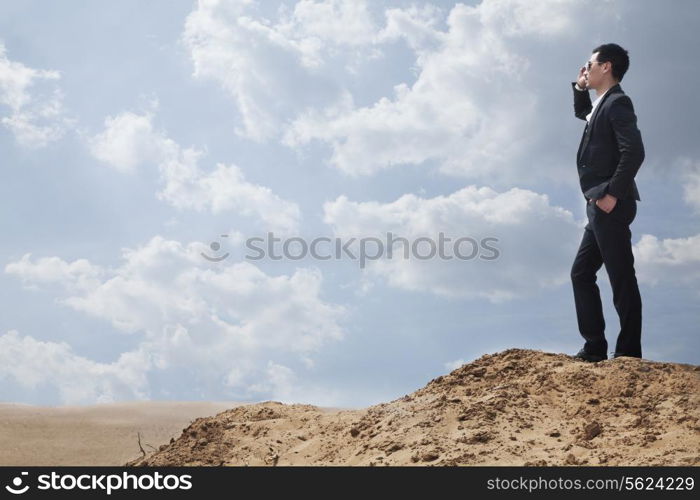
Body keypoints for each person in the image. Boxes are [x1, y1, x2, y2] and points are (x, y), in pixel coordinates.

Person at [570, 43, 645, 362]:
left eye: (590, 63)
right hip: (598, 203)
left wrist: (612, 193)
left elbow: (635, 151)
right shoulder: (601, 103)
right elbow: (581, 113)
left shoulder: (618, 103)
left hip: (610, 201)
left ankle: (628, 351)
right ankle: (595, 346)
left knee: (620, 276)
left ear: (607, 66)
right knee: (581, 273)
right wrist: (579, 87)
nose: (586, 68)